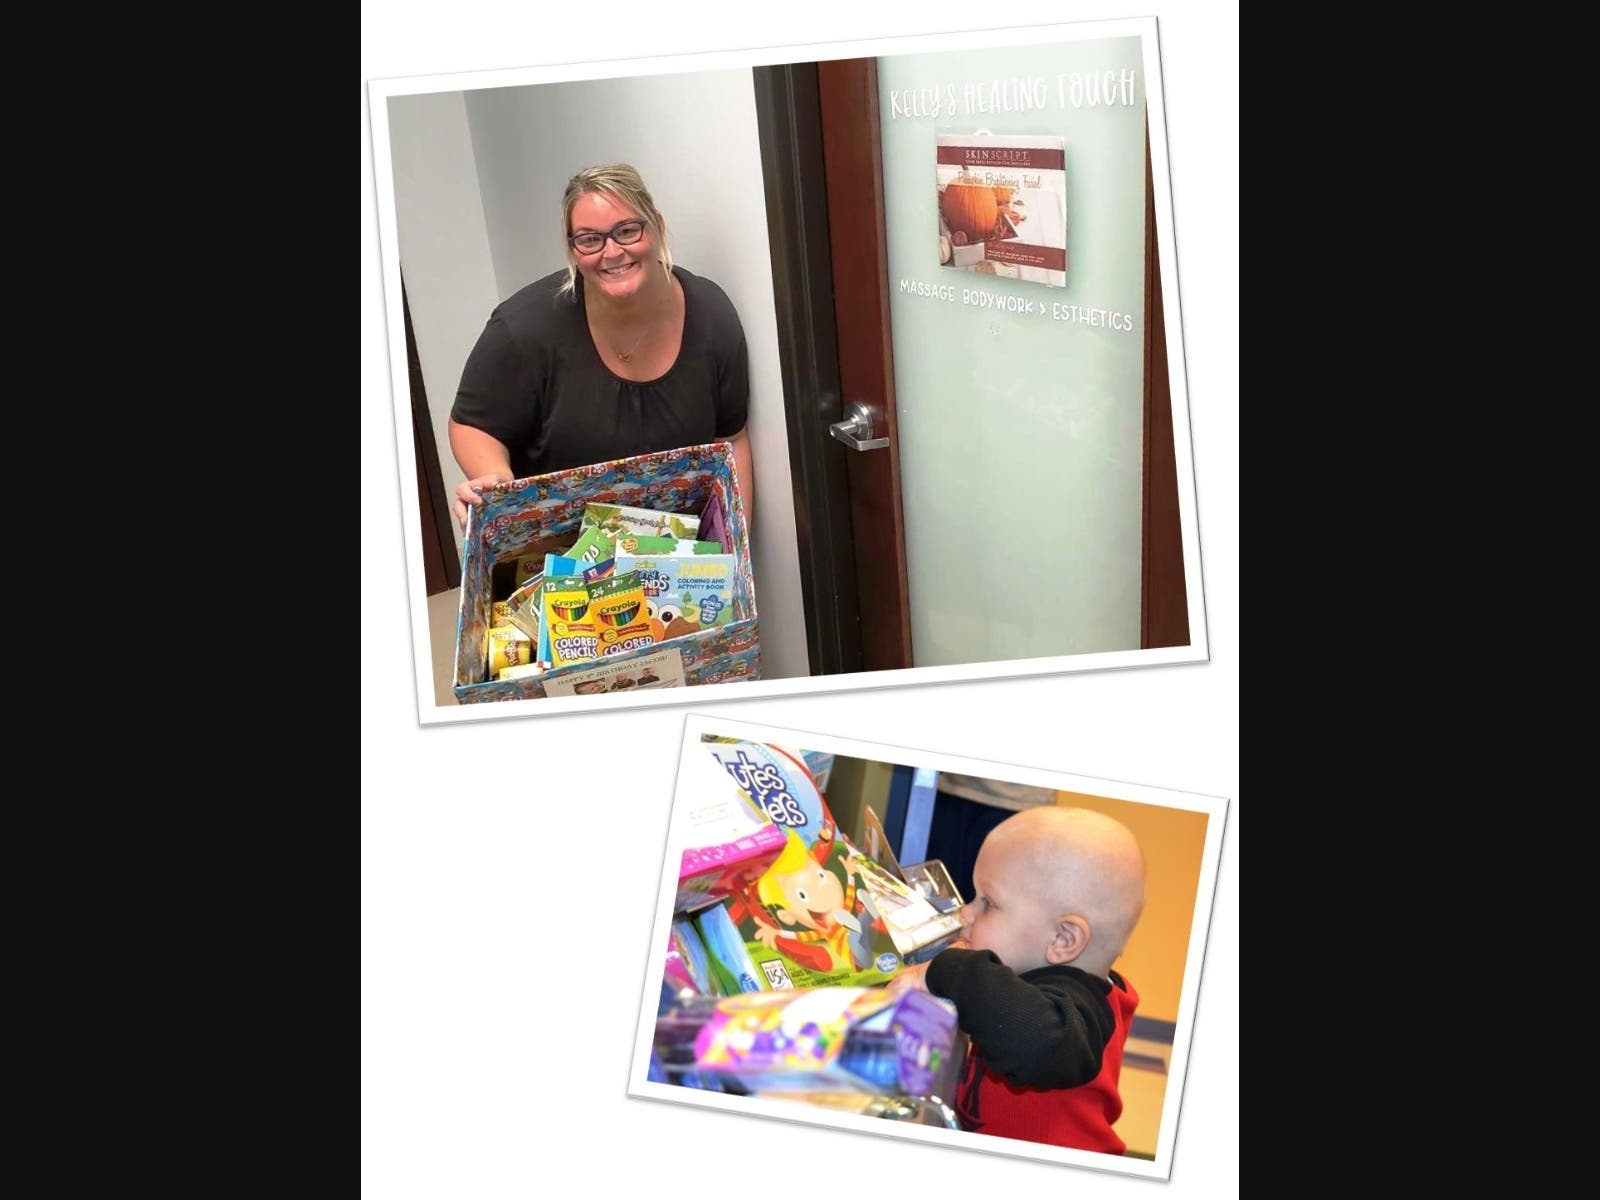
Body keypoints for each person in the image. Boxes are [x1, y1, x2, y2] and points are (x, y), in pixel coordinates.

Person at [448, 163, 755, 531]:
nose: (612, 252)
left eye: (627, 231)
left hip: (676, 561)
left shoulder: (711, 316)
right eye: (590, 239)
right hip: (561, 556)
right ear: (572, 247)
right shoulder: (523, 328)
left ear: (656, 224)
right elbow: (470, 424)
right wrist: (497, 479)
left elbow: (730, 441)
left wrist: (735, 551)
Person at [890, 805, 1146, 1154]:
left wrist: (950, 969)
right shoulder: (1021, 978)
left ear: (1063, 940)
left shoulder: (1077, 1008)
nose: (966, 912)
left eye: (988, 903)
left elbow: (1041, 1039)